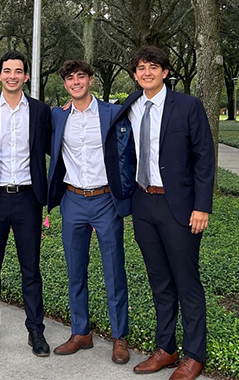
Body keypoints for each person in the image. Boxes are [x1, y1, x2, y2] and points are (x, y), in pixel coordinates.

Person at [105, 45, 215, 380]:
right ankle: (166, 349)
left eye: (153, 66)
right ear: (135, 74)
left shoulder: (188, 106)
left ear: (165, 72)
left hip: (179, 206)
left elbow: (205, 159)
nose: (146, 72)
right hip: (143, 203)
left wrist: (201, 207)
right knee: (160, 282)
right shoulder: (130, 105)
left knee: (187, 282)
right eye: (140, 68)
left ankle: (195, 354)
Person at [47, 60, 131, 364]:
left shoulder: (111, 112)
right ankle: (80, 332)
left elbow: (127, 151)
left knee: (113, 270)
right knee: (75, 271)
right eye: (70, 79)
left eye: (80, 77)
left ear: (91, 80)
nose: (75, 82)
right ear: (65, 85)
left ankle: (119, 336)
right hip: (72, 200)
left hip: (106, 199)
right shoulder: (58, 116)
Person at [0, 51, 51, 357]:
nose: (13, 75)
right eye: (7, 70)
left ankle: (36, 332)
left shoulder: (41, 111)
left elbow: (53, 147)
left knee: (30, 269)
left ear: (26, 77)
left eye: (19, 71)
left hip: (29, 199)